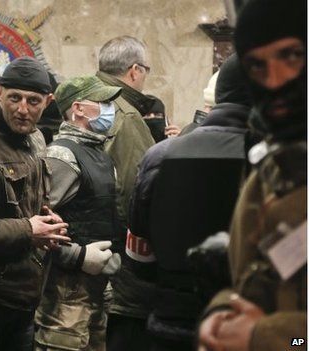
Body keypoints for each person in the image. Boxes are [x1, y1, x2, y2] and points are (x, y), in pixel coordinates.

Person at [198, 0, 306, 350]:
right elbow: (258, 277)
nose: (274, 82)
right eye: (257, 66)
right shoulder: (271, 168)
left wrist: (266, 337)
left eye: (290, 56)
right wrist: (221, 316)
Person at [129, 53, 251, 350]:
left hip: (171, 321)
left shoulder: (161, 154)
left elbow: (138, 257)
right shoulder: (279, 157)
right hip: (248, 326)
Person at [0, 56, 71, 350]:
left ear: (47, 101)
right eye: (14, 98)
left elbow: (29, 204)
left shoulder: (36, 139)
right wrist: (29, 230)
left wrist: (48, 224)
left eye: (33, 101)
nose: (23, 109)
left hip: (26, 294)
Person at [34, 75, 124, 351]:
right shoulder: (62, 155)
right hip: (65, 294)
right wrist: (79, 257)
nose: (110, 109)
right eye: (103, 102)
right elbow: (37, 225)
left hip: (97, 288)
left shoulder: (99, 153)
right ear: (79, 108)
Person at [95, 35, 156, 351]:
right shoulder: (128, 116)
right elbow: (138, 191)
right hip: (118, 261)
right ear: (135, 71)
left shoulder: (86, 101)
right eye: (146, 70)